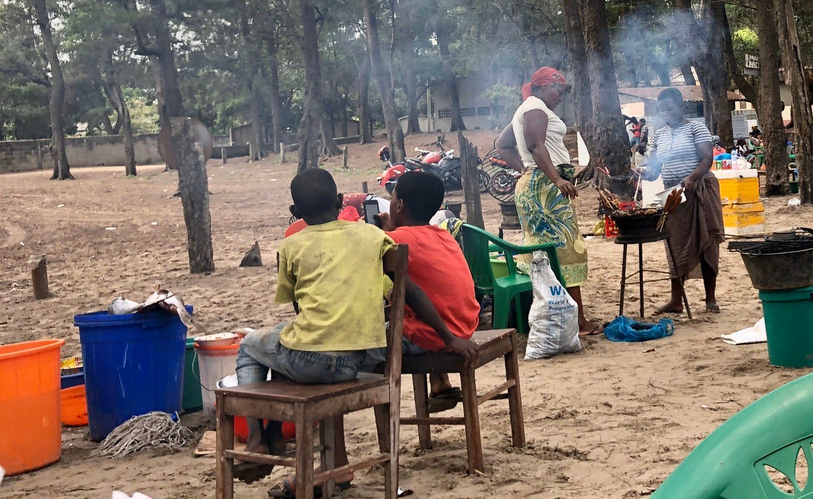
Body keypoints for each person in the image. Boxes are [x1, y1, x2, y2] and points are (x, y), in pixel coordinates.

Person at [234, 168, 478, 482]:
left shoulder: (292, 246)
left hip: (335, 356)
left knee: (251, 345)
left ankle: (259, 438)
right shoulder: (378, 237)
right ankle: (291, 443)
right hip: (360, 357)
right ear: (339, 201)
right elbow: (410, 292)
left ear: (295, 212)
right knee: (302, 339)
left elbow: (300, 309)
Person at [495, 67, 601, 335]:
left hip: (538, 185)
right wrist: (556, 179)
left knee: (547, 250)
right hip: (546, 190)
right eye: (559, 90)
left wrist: (526, 170)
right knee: (565, 250)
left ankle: (558, 313)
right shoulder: (534, 107)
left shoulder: (528, 108)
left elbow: (502, 143)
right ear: (542, 86)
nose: (561, 96)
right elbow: (536, 146)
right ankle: (577, 321)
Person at [378, 170, 480, 413]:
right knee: (408, 300)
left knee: (361, 342)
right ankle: (439, 381)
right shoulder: (443, 235)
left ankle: (380, 414)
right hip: (465, 325)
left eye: (393, 199)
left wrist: (388, 231)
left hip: (438, 335)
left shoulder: (395, 239)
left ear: (400, 205)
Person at [640, 88, 724, 314]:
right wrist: (643, 174)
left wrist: (692, 177)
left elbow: (707, 158)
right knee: (675, 245)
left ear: (681, 107)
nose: (665, 113)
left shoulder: (696, 127)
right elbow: (655, 170)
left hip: (699, 190)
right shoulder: (659, 134)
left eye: (669, 108)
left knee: (707, 242)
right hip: (674, 195)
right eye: (661, 110)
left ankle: (710, 299)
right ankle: (676, 301)